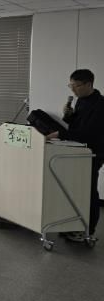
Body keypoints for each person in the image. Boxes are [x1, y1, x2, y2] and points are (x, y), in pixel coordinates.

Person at [48, 69, 104, 241]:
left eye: (76, 86)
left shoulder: (100, 105)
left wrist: (60, 134)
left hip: (92, 153)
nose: (73, 89)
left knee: (88, 191)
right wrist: (68, 115)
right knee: (74, 189)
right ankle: (74, 225)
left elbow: (88, 133)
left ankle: (88, 231)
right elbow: (75, 125)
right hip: (76, 151)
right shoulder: (80, 100)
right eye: (70, 85)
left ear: (88, 84)